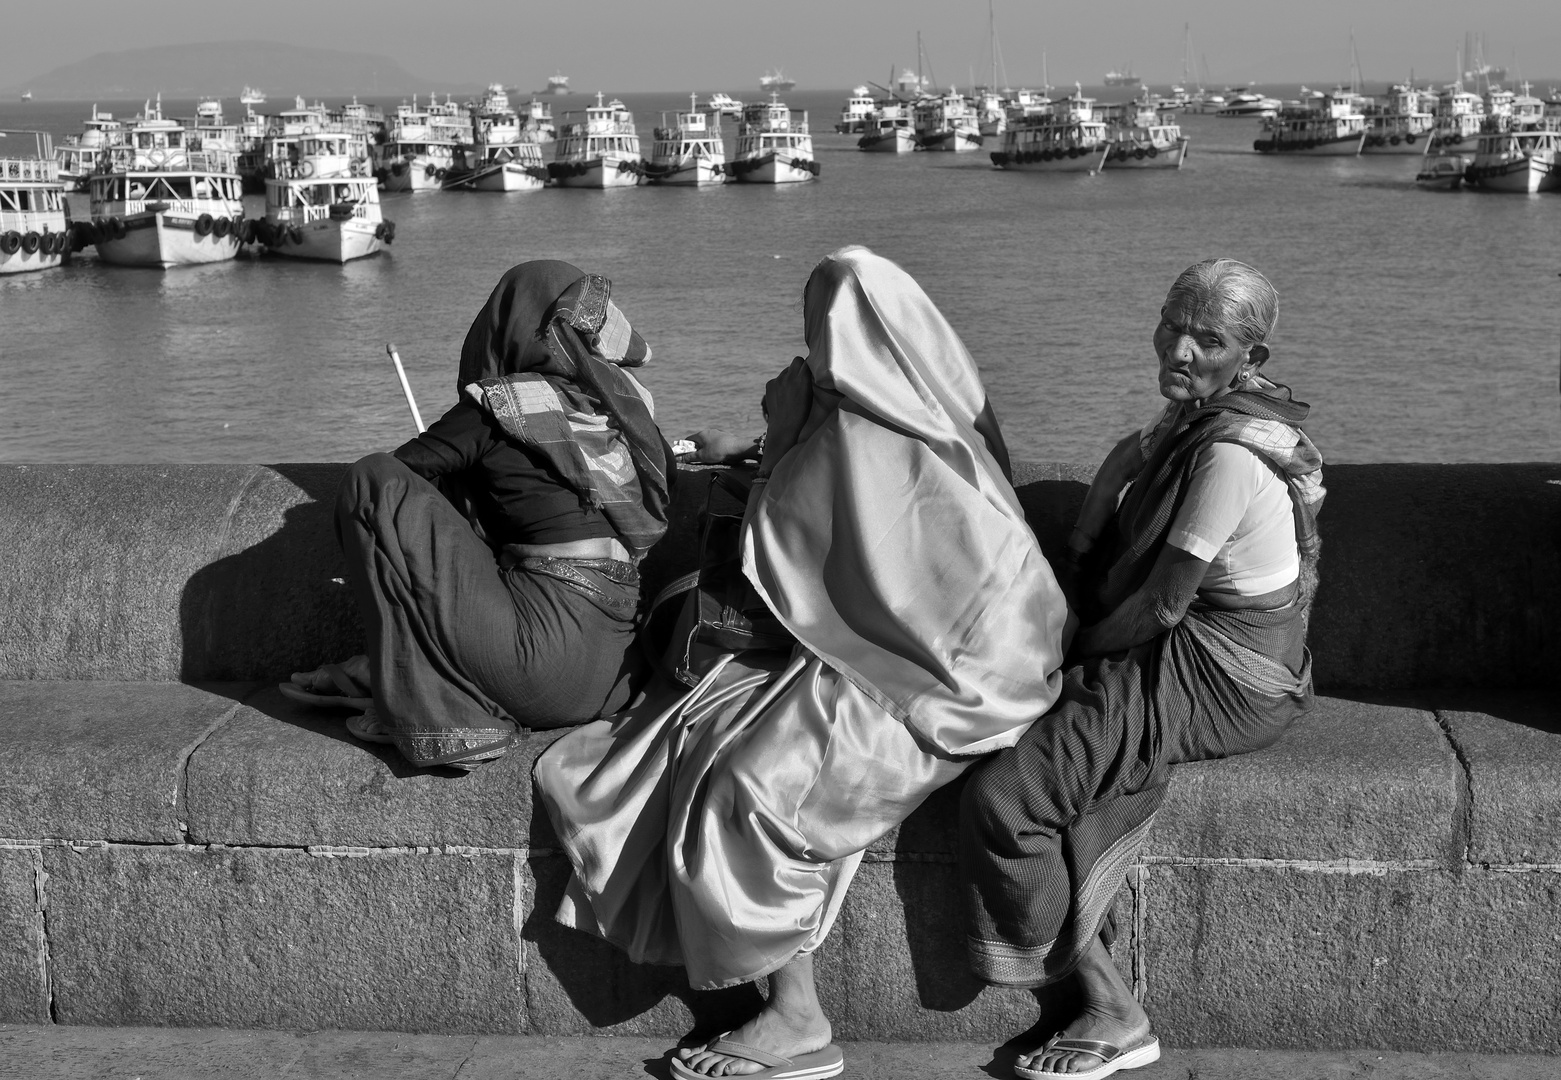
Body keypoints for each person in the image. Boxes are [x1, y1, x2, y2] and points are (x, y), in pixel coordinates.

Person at [533, 246, 1072, 1079]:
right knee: (702, 738)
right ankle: (785, 1005)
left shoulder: (858, 435)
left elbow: (789, 543)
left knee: (748, 782)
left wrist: (761, 458)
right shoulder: (925, 414)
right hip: (934, 657)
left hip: (945, 680)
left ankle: (797, 1019)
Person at [960, 258, 1324, 1080]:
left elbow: (1163, 605)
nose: (1181, 348)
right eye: (1171, 323)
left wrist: (1072, 650)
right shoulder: (1174, 432)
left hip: (1224, 674)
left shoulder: (1226, 454)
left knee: (1003, 797)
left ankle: (1114, 1009)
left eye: (1210, 339)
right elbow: (1112, 518)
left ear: (1251, 359)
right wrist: (1106, 492)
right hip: (1177, 646)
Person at [285, 260, 674, 769]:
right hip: (617, 675)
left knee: (369, 480)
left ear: (505, 323)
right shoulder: (621, 410)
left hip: (542, 665)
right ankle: (386, 676)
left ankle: (420, 698)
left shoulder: (501, 405)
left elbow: (398, 480)